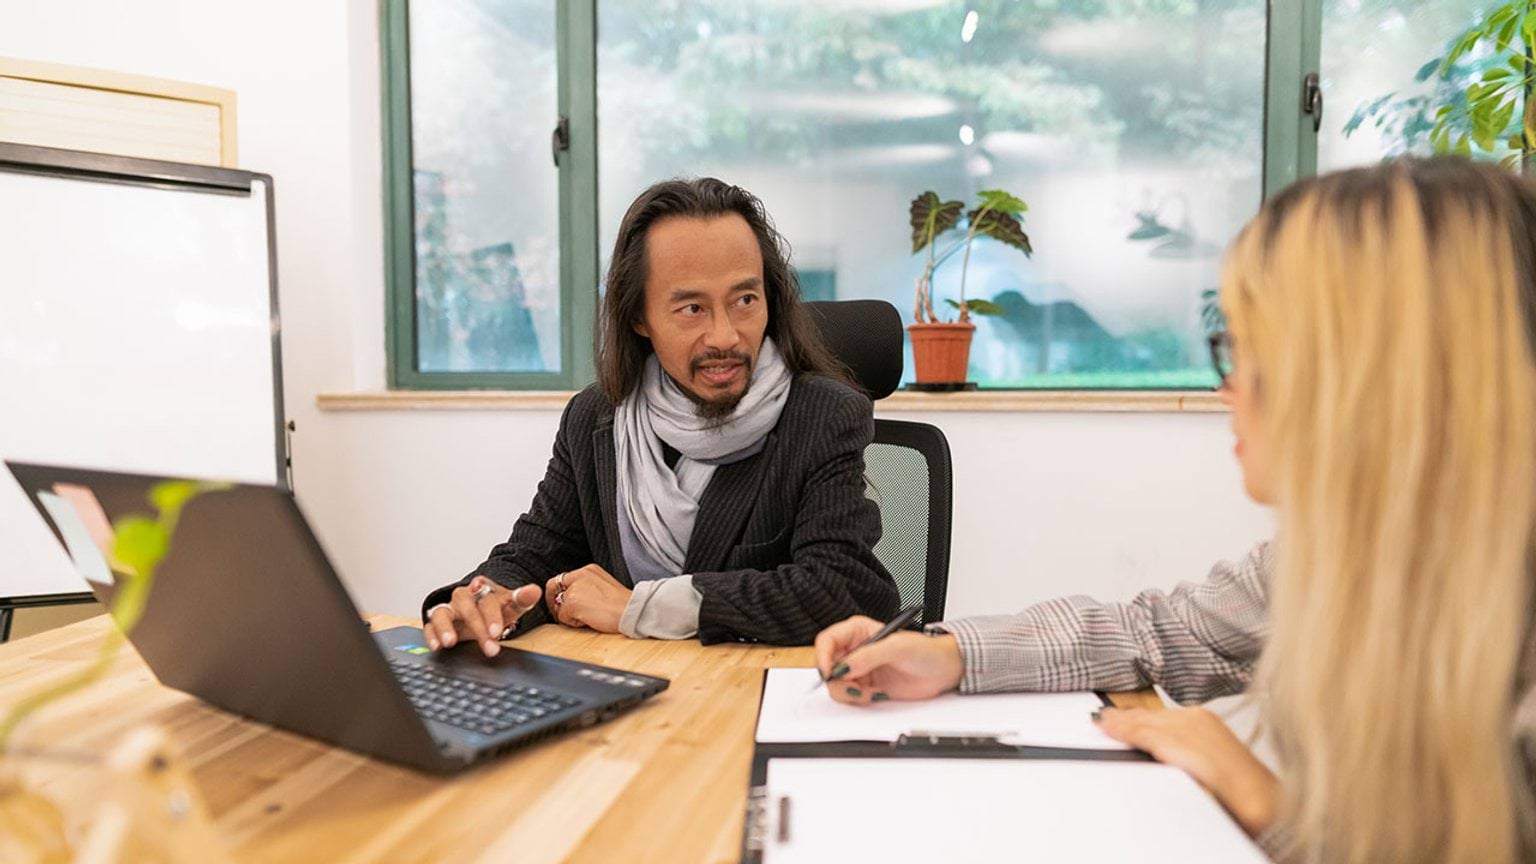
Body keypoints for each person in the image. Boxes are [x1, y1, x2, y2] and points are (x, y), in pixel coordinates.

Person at [813, 158, 1536, 863]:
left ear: (1377, 376)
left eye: (1252, 349)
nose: (1230, 387)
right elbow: (1154, 631)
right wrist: (949, 653)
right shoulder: (1351, 555)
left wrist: (1271, 812)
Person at [421, 178, 899, 655]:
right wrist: (487, 600)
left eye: (745, 300)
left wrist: (641, 607)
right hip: (632, 687)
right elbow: (537, 550)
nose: (726, 336)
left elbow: (846, 588)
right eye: (692, 308)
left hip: (746, 694)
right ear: (639, 318)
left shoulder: (822, 416)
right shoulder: (595, 419)